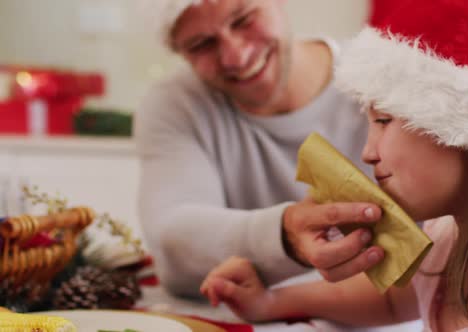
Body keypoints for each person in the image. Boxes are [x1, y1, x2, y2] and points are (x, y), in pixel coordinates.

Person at [200, 0, 468, 330]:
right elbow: (389, 301)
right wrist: (270, 303)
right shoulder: (447, 238)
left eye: (383, 121)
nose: (368, 152)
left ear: (465, 129)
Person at [134, 0, 385, 298]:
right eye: (202, 44)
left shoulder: (384, 80)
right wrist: (284, 236)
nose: (236, 57)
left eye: (242, 19)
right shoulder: (176, 105)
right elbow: (172, 241)